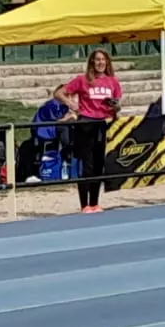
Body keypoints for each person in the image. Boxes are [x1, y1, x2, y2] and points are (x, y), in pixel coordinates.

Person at [54, 49, 122, 214]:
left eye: (103, 60)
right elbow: (59, 93)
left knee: (99, 165)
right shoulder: (82, 80)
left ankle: (95, 202)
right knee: (87, 166)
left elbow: (118, 105)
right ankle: (85, 204)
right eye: (97, 60)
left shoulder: (113, 81)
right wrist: (72, 105)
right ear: (92, 62)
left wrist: (115, 106)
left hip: (103, 124)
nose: (100, 63)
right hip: (85, 124)